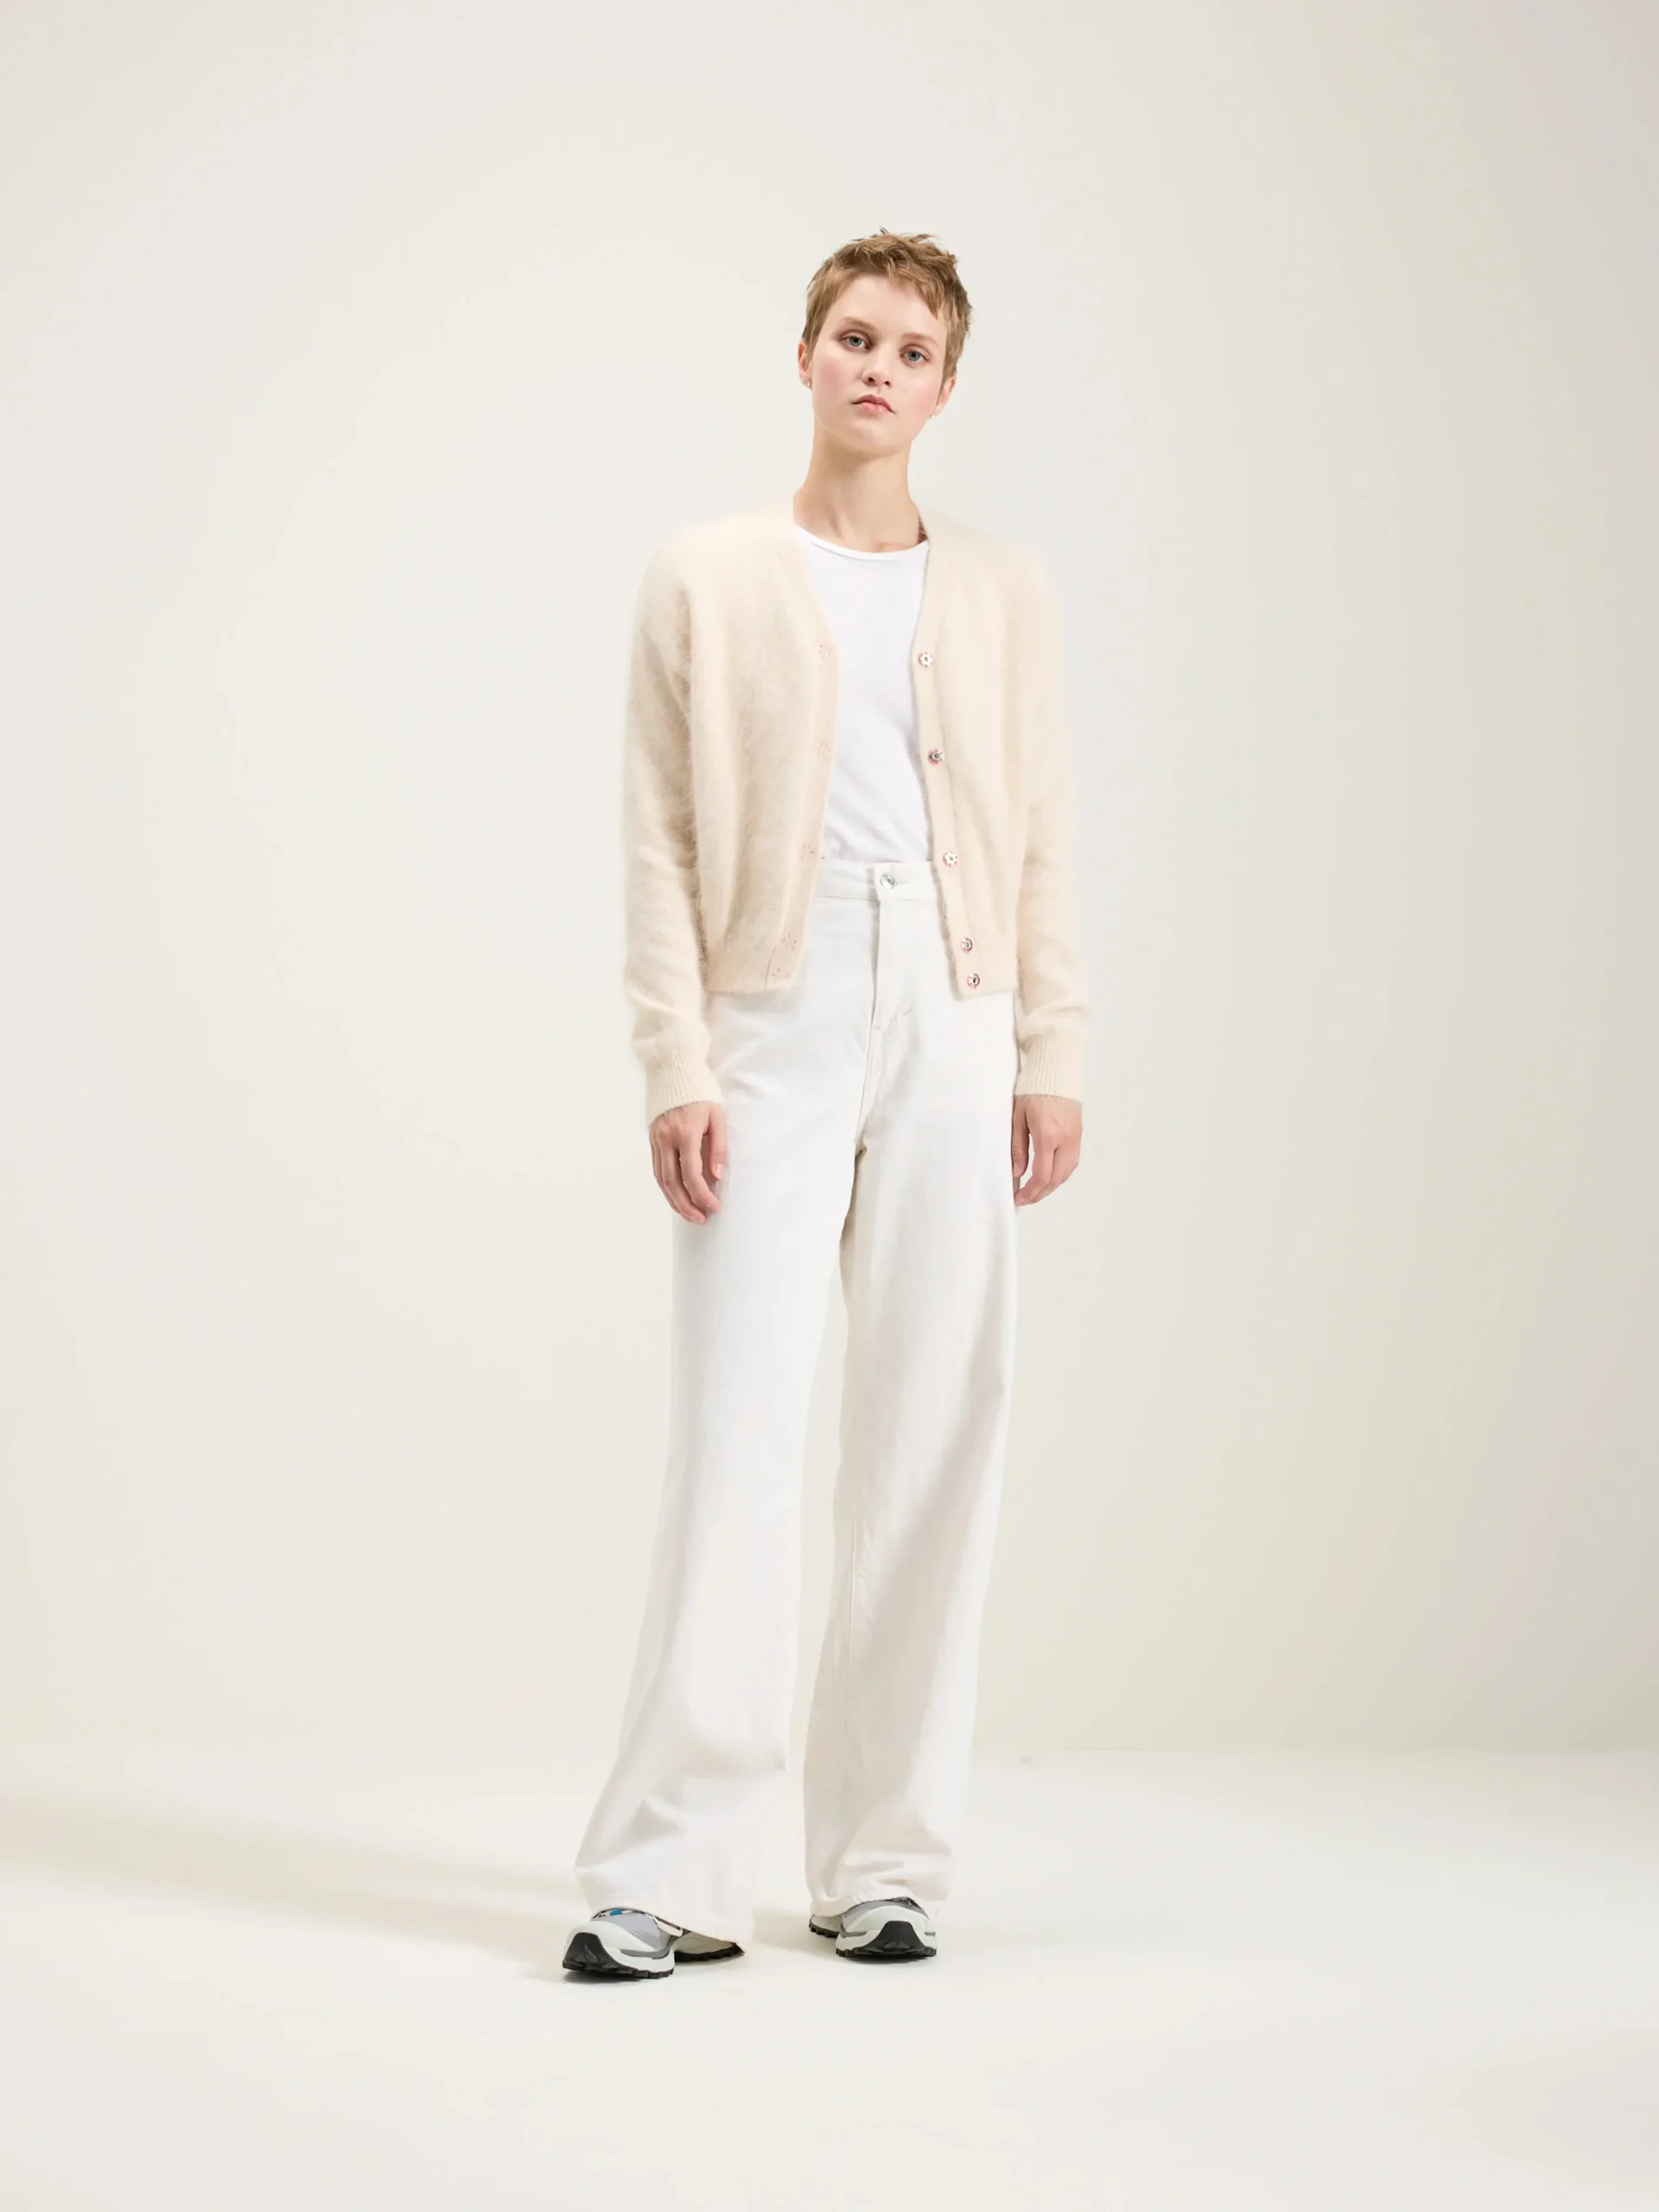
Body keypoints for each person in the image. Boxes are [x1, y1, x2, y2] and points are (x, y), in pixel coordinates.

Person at [562, 229, 1089, 1980]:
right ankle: (671, 1868)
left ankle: (884, 1859)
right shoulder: (706, 574)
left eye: (913, 350)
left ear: (946, 387)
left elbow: (1039, 829)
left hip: (957, 1001)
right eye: (855, 337)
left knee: (935, 1428)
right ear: (805, 357)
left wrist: (1053, 1048)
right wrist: (678, 1059)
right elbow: (658, 834)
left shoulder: (1003, 589)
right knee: (739, 1430)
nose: (879, 367)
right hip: (771, 1011)